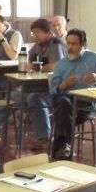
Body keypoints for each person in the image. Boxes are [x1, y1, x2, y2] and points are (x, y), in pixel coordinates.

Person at [49, 29, 96, 160]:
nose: (70, 47)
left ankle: (62, 149)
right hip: (66, 100)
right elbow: (52, 90)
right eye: (68, 43)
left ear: (83, 45)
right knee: (63, 103)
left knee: (63, 116)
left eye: (74, 44)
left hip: (86, 102)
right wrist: (64, 85)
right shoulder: (61, 64)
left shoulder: (94, 58)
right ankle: (64, 147)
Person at [23, 18, 66, 147]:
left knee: (35, 98)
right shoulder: (38, 45)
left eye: (38, 32)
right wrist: (36, 66)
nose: (35, 35)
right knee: (14, 96)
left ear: (48, 33)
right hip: (41, 85)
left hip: (57, 88)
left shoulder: (56, 44)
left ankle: (44, 138)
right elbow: (29, 62)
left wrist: (40, 67)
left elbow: (56, 66)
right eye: (33, 33)